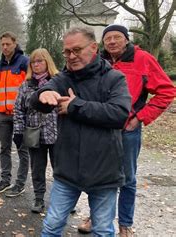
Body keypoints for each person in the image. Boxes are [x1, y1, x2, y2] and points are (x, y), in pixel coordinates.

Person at [30, 27, 132, 236]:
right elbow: (39, 96)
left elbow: (120, 114)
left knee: (103, 230)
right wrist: (44, 93)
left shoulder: (114, 78)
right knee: (51, 226)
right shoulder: (64, 77)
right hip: (68, 169)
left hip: (104, 169)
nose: (71, 56)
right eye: (67, 52)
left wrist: (75, 106)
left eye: (77, 50)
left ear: (93, 47)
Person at [77, 24, 176, 236]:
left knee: (127, 178)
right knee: (99, 174)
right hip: (100, 128)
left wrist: (140, 117)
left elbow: (167, 91)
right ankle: (96, 217)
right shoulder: (98, 61)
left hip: (127, 130)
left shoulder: (143, 59)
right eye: (108, 38)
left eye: (117, 37)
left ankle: (125, 224)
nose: (112, 42)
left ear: (126, 39)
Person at [12, 48, 59, 213]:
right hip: (34, 135)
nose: (36, 64)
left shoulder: (58, 81)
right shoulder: (26, 85)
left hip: (57, 134)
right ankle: (39, 199)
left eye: (40, 61)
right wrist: (18, 132)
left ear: (47, 62)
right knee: (37, 169)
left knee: (60, 170)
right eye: (33, 62)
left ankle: (63, 202)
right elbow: (18, 110)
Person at [0, 31, 31, 197]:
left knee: (22, 150)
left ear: (15, 43)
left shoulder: (24, 63)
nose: (5, 47)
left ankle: (20, 184)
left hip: (20, 116)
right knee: (4, 148)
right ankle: (5, 180)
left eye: (8, 44)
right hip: (2, 115)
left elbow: (30, 88)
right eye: (3, 44)